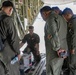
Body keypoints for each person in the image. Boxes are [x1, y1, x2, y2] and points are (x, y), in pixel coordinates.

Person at [40, 6, 68, 75]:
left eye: (42, 16)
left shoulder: (50, 18)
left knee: (52, 71)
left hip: (55, 52)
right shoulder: (61, 18)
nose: (43, 18)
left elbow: (54, 34)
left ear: (44, 13)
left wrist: (57, 48)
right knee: (57, 70)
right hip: (63, 50)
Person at [0, 1, 21, 75]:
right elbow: (14, 38)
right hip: (7, 51)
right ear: (10, 9)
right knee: (13, 71)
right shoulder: (7, 20)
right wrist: (18, 52)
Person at [62, 8, 76, 75]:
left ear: (68, 15)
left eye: (65, 17)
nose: (65, 19)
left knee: (72, 64)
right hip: (73, 46)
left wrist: (73, 48)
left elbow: (74, 35)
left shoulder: (72, 22)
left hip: (73, 46)